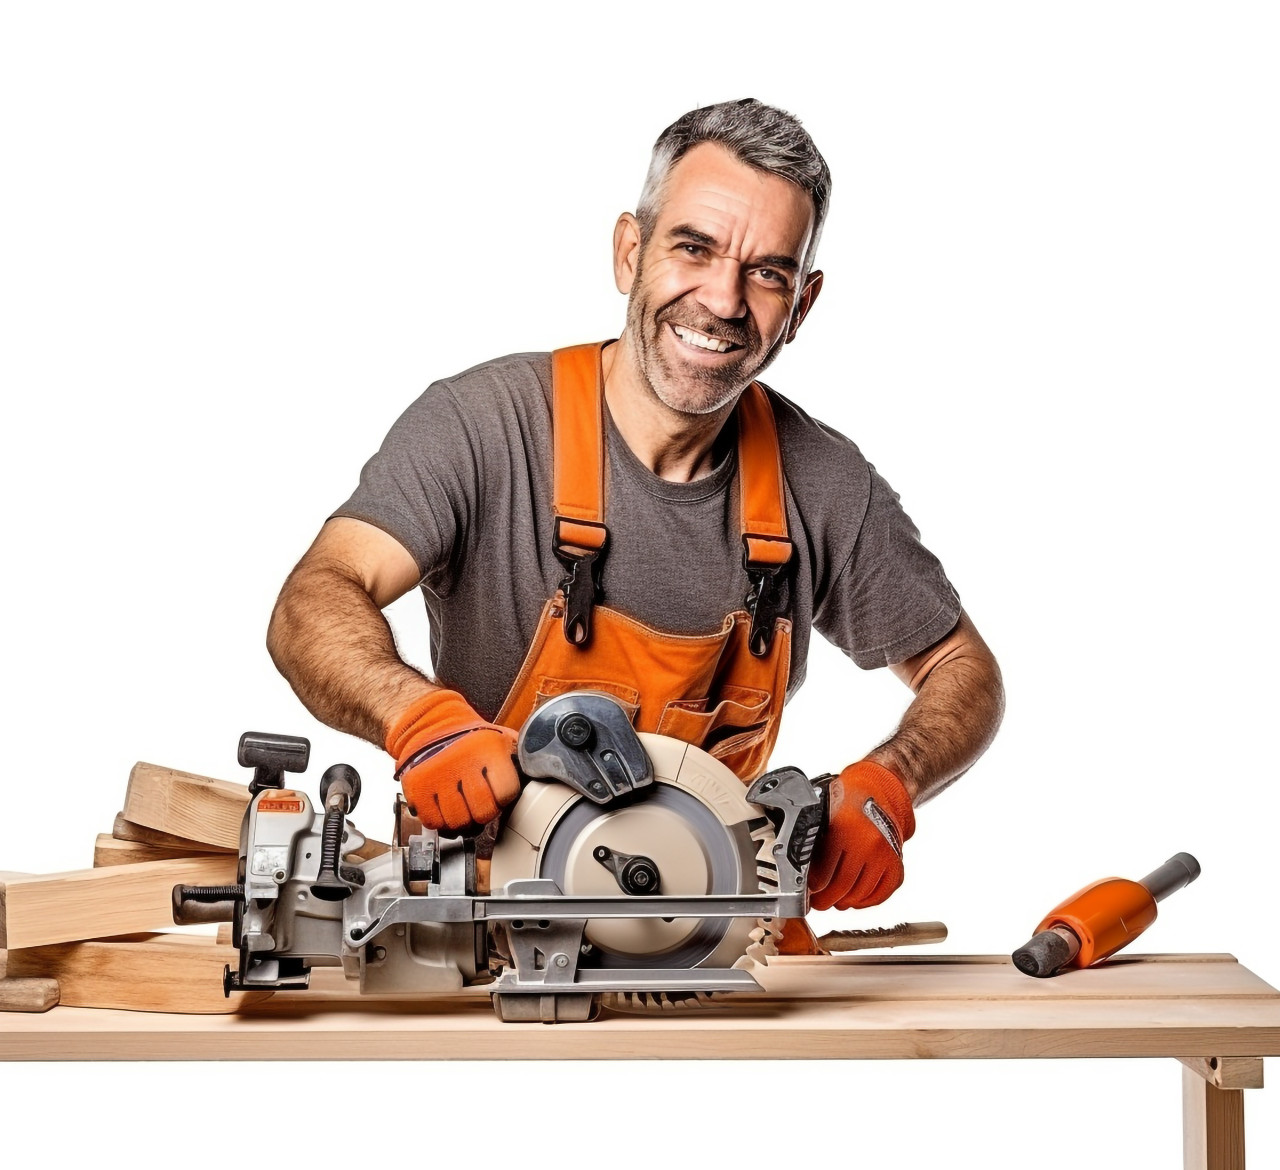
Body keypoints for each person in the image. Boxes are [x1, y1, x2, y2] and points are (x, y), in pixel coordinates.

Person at [266, 98, 1004, 923]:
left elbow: (963, 668)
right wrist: (417, 719)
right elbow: (315, 597)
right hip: (478, 935)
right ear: (630, 251)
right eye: (694, 248)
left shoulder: (825, 484)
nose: (723, 300)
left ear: (801, 306)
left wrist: (891, 780)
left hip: (701, 946)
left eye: (767, 273)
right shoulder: (484, 426)